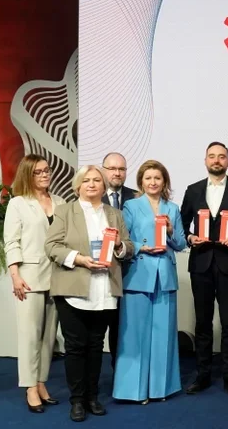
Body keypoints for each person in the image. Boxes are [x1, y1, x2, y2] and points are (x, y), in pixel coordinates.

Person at [45, 165, 134, 422]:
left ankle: (92, 397)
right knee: (75, 347)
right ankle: (77, 400)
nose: (92, 184)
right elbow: (51, 246)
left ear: (104, 186)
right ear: (78, 186)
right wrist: (79, 259)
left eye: (97, 180)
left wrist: (119, 245)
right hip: (73, 288)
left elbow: (128, 247)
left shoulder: (114, 214)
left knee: (96, 346)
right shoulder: (65, 211)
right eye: (86, 180)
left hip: (104, 289)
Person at [180, 142, 228, 397]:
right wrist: (190, 237)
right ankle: (202, 376)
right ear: (205, 160)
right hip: (201, 264)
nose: (216, 160)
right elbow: (181, 224)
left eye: (221, 157)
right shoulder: (193, 190)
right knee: (202, 324)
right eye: (212, 156)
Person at [113, 160, 187, 403]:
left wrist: (170, 231)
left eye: (157, 178)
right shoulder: (131, 206)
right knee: (135, 336)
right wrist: (141, 247)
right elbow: (125, 239)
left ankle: (159, 389)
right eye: (148, 178)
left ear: (164, 182)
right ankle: (133, 391)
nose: (153, 182)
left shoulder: (172, 208)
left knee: (163, 336)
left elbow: (181, 243)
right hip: (138, 275)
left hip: (165, 276)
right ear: (141, 182)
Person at [4, 154, 65, 413]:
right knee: (30, 335)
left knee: (49, 336)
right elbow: (11, 241)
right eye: (38, 172)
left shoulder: (61, 202)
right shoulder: (18, 203)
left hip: (58, 276)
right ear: (27, 175)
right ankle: (29, 386)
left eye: (46, 170)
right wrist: (15, 275)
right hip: (29, 277)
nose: (44, 175)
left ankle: (41, 382)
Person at [101, 152, 136, 370]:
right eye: (112, 168)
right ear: (103, 170)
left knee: (122, 327)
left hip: (131, 272)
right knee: (98, 329)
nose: (117, 173)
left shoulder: (137, 197)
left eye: (121, 169)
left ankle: (120, 373)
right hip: (100, 272)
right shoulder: (92, 196)